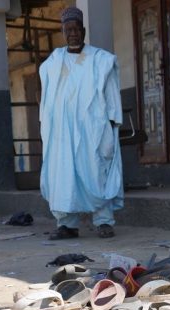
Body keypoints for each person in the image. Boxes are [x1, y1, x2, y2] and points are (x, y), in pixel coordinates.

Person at [39, 6, 124, 239]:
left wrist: (113, 121)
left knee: (97, 172)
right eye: (68, 30)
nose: (73, 33)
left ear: (84, 30)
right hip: (61, 133)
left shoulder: (100, 60)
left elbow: (110, 94)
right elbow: (46, 99)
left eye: (77, 29)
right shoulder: (52, 62)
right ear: (63, 31)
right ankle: (67, 225)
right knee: (63, 175)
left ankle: (104, 222)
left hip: (92, 129)